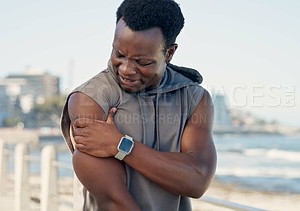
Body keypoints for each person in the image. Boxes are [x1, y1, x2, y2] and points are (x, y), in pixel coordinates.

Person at [60, 0, 216, 210]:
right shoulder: (90, 99)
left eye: (142, 62)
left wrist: (121, 145)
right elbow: (114, 201)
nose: (125, 69)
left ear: (169, 53)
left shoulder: (195, 98)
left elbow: (197, 181)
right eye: (119, 54)